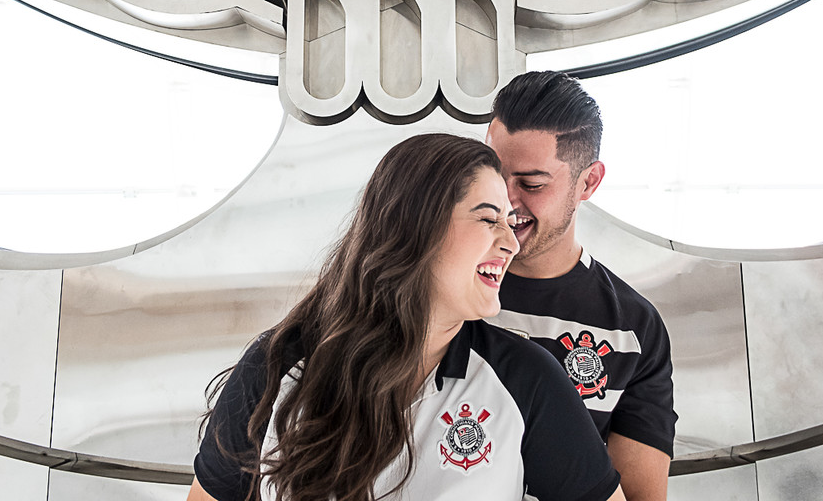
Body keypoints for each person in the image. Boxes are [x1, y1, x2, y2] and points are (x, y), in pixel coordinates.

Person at [188, 133, 625, 501]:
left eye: (509, 222)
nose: (510, 242)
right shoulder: (280, 363)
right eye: (490, 219)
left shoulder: (525, 380)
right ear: (418, 229)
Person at [486, 71, 676, 501]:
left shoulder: (632, 329)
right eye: (494, 174)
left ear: (588, 182)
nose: (506, 200)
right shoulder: (437, 285)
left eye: (531, 184)